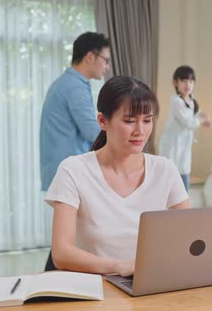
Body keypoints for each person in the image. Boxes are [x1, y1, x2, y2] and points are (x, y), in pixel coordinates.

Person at [44, 76, 190, 277]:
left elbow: (190, 237)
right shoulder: (73, 171)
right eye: (129, 121)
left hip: (151, 284)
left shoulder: (165, 170)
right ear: (103, 121)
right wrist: (119, 267)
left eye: (147, 120)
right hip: (95, 288)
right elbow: (61, 253)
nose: (140, 131)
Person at [39, 32, 111, 192]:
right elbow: (93, 133)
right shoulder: (75, 87)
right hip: (68, 177)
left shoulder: (66, 83)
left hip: (61, 174)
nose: (108, 67)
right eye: (106, 60)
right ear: (90, 57)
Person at [159, 65, 212, 191]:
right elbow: (188, 122)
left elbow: (197, 115)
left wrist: (205, 122)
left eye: (191, 81)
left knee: (184, 179)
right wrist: (202, 120)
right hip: (172, 147)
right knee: (171, 182)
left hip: (184, 149)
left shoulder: (192, 100)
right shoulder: (175, 101)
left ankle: (184, 208)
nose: (188, 84)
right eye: (183, 81)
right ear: (175, 82)